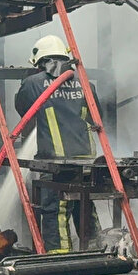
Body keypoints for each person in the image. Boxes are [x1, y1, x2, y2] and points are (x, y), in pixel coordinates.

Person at [14, 34, 100, 254]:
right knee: (85, 207)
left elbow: (23, 109)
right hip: (88, 161)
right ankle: (97, 255)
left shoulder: (33, 83)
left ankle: (60, 262)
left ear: (40, 61)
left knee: (55, 213)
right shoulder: (85, 82)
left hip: (56, 163)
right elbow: (97, 116)